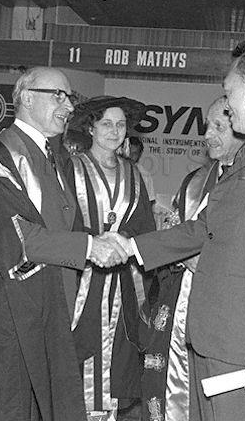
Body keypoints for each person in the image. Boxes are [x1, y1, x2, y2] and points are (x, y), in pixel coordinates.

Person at [105, 39, 245, 421]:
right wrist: (131, 246)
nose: (227, 104)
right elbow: (207, 229)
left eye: (230, 93)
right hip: (216, 337)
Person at [0, 67, 129, 421]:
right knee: (4, 403)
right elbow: (18, 238)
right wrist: (91, 247)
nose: (67, 105)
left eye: (69, 97)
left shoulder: (53, 156)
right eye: (57, 95)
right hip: (4, 307)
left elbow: (63, 221)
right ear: (27, 99)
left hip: (46, 303)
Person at [140, 95, 245, 421]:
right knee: (170, 385)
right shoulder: (195, 181)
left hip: (226, 315)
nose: (207, 135)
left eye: (218, 127)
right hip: (181, 299)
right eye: (206, 126)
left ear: (242, 129)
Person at [65, 96, 154, 419]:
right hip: (81, 278)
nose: (115, 131)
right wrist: (92, 243)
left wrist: (124, 243)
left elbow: (144, 225)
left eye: (120, 125)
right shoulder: (70, 169)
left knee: (118, 351)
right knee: (78, 348)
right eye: (106, 124)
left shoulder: (134, 173)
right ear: (90, 127)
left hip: (122, 281)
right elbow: (62, 223)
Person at [127, 135, 156, 206]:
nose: (130, 156)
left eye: (134, 153)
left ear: (140, 154)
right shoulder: (112, 170)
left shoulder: (144, 175)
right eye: (129, 152)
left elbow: (150, 201)